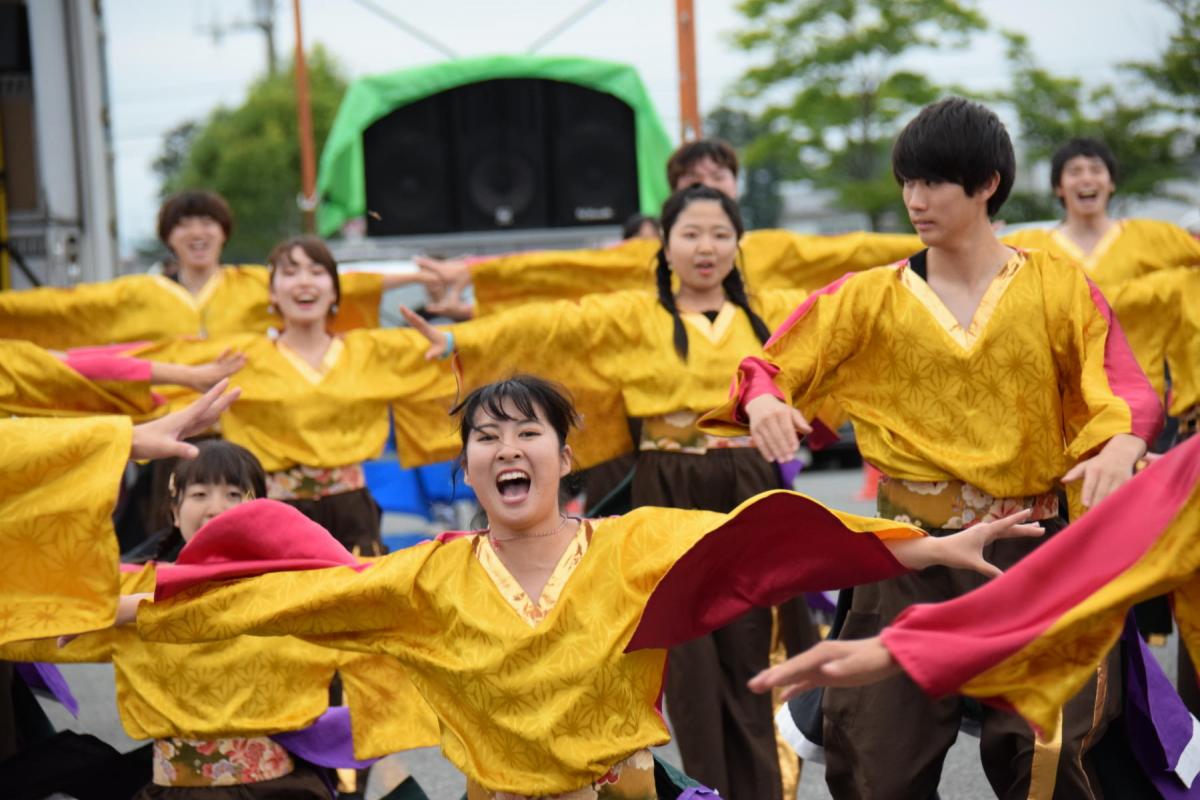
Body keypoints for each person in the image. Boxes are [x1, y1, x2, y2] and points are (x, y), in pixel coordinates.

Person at [128, 375, 1042, 799]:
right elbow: (288, 598)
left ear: (567, 460)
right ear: (469, 472)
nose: (506, 448)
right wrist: (149, 603)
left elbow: (770, 546)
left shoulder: (632, 543)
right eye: (487, 438)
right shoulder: (428, 576)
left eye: (527, 433)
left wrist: (921, 549)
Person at [701, 97, 1162, 799]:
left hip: (1031, 548)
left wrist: (1118, 445)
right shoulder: (867, 298)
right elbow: (771, 364)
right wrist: (765, 400)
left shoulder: (1055, 285)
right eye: (907, 182)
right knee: (880, 765)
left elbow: (1121, 383)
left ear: (987, 185)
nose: (915, 200)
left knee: (1047, 759)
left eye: (934, 182)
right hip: (907, 555)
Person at [404, 185, 837, 797]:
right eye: (690, 234)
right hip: (668, 481)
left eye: (719, 235)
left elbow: (844, 310)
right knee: (684, 662)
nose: (705, 248)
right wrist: (460, 340)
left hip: (744, 482)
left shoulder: (772, 311)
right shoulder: (635, 315)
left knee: (752, 654)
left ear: (739, 245)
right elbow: (554, 326)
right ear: (664, 246)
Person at [1, 437, 439, 798]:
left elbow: (389, 636)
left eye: (235, 495)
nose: (216, 508)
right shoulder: (127, 592)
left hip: (282, 790)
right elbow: (29, 617)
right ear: (173, 511)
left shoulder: (301, 589)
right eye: (199, 494)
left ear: (262, 514)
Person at [123, 236, 459, 555]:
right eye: (290, 272)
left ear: (335, 293)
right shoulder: (242, 356)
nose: (304, 282)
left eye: (316, 272)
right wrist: (80, 373)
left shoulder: (369, 350)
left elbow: (464, 350)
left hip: (352, 509)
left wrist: (449, 342)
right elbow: (154, 365)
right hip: (274, 508)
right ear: (271, 293)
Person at [416, 138, 922, 317]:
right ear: (673, 196)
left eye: (718, 177)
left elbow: (858, 251)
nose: (707, 187)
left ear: (736, 187)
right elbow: (563, 271)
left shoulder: (774, 249)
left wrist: (951, 240)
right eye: (692, 180)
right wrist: (473, 274)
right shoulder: (646, 257)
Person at [0, 189, 437, 348]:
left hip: (244, 429)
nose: (197, 232)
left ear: (223, 233)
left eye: (207, 222)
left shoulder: (253, 283)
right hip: (170, 434)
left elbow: (345, 284)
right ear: (168, 237)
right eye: (184, 224)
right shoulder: (137, 293)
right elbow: (66, 307)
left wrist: (419, 276)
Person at [1002, 138, 1200, 297]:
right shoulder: (1027, 245)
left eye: (1096, 170)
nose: (1087, 179)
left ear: (1111, 182)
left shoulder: (1155, 236)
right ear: (1058, 187)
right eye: (1075, 171)